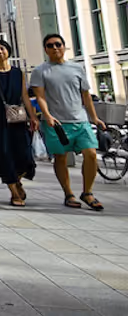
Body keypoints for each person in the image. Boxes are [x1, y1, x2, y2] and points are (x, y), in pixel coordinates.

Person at [30, 33, 107, 211]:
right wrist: (47, 115)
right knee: (61, 158)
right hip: (56, 123)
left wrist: (94, 118)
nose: (55, 48)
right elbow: (40, 97)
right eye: (50, 45)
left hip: (80, 121)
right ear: (45, 50)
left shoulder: (77, 68)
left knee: (91, 154)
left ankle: (87, 192)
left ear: (64, 46)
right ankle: (68, 193)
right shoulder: (40, 71)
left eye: (58, 44)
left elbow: (86, 96)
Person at [0, 40, 37, 207]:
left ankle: (17, 180)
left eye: (2, 48)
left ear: (8, 51)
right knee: (3, 154)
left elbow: (24, 96)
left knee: (24, 154)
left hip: (17, 118)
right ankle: (14, 192)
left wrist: (33, 117)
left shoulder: (19, 73)